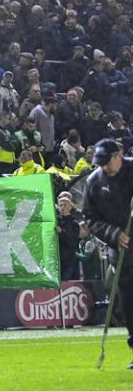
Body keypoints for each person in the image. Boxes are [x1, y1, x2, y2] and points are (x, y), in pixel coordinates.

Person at [82, 139, 133, 367]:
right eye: (99, 163)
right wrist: (113, 234)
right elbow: (91, 219)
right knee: (129, 304)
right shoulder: (93, 182)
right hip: (122, 252)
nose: (102, 167)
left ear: (117, 157)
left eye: (106, 162)